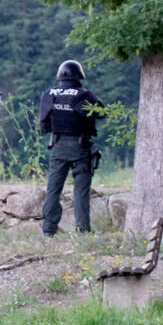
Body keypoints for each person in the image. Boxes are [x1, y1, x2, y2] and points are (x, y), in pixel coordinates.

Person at [39, 60, 104, 236]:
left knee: (53, 189)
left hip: (57, 147)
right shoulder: (83, 95)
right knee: (81, 191)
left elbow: (44, 126)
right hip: (80, 148)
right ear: (79, 75)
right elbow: (101, 113)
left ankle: (48, 231)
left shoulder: (48, 94)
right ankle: (82, 230)